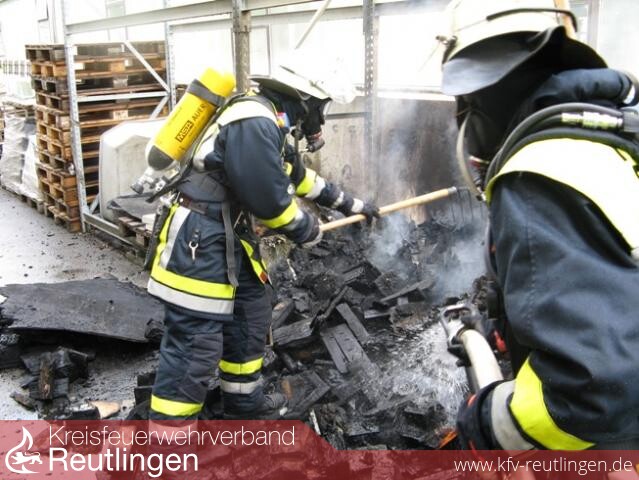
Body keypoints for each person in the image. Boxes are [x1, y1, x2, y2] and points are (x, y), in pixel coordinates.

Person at [439, 0, 639, 449]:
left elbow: (589, 399)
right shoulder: (610, 144)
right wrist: (510, 330)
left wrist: (487, 422)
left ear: (476, 98)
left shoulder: (534, 175)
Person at [146, 61, 379, 420]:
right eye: (322, 106)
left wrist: (354, 205)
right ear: (306, 100)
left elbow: (299, 178)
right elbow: (268, 200)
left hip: (228, 238)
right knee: (195, 345)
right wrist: (306, 229)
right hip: (200, 242)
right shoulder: (254, 122)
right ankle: (169, 440)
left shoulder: (270, 122)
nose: (320, 117)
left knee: (250, 315)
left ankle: (242, 404)